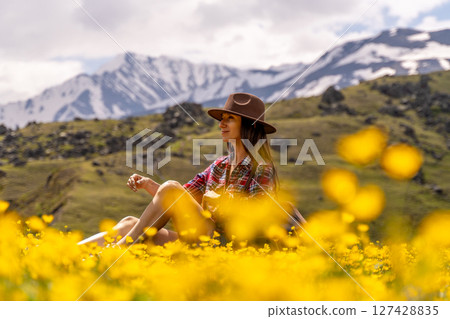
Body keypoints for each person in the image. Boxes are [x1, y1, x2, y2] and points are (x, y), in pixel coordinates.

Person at [78, 92, 281, 247]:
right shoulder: (219, 165)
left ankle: (116, 254)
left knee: (170, 188)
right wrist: (149, 184)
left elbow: (257, 221)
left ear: (250, 126)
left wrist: (223, 204)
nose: (221, 124)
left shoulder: (261, 169)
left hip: (224, 246)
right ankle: (69, 254)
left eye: (230, 119)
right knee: (129, 223)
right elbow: (175, 199)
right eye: (222, 118)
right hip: (198, 239)